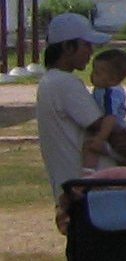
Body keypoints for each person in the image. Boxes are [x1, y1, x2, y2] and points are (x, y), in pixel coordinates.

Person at [38, 13, 120, 200]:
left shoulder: (51, 81)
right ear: (68, 47)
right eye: (86, 45)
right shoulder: (64, 82)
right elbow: (101, 125)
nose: (90, 52)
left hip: (76, 185)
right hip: (89, 188)